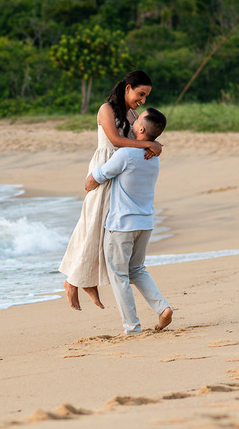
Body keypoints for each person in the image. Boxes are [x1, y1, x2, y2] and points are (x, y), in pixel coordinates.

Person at [59, 70, 164, 311]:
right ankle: (73, 281)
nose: (143, 100)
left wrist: (151, 147)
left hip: (120, 173)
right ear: (128, 88)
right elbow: (116, 141)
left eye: (146, 96)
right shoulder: (106, 109)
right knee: (92, 224)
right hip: (104, 168)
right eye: (140, 94)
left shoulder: (134, 114)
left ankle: (87, 281)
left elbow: (138, 140)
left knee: (105, 230)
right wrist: (147, 143)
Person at [84, 107, 174, 336]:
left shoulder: (125, 154)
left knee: (120, 275)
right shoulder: (152, 158)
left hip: (121, 225)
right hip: (145, 223)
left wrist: (88, 184)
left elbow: (98, 176)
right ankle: (162, 308)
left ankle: (131, 327)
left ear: (141, 128)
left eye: (136, 121)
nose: (131, 123)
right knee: (137, 269)